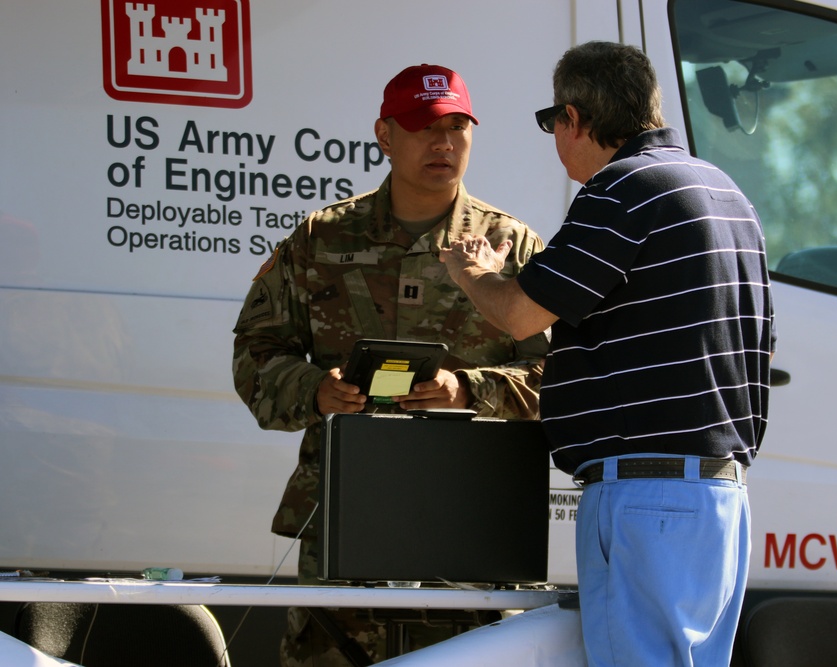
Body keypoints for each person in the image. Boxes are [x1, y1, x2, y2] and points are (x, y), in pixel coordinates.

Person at [440, 42, 775, 666]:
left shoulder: (623, 189)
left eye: (551, 124)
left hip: (646, 499)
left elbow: (518, 314)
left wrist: (471, 271)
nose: (554, 139)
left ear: (574, 118)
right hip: (721, 500)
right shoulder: (727, 193)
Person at [232, 63, 549, 667]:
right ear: (384, 135)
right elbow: (255, 352)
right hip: (345, 525)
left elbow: (557, 377)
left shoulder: (513, 249)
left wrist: (467, 391)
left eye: (458, 126)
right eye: (425, 126)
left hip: (471, 532)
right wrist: (314, 391)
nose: (444, 143)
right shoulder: (319, 240)